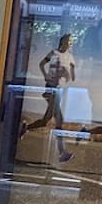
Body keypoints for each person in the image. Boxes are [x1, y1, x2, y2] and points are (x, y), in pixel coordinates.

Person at [25, 33, 75, 162]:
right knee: (60, 120)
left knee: (46, 120)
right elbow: (42, 64)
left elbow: (72, 78)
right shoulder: (54, 53)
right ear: (62, 41)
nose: (70, 43)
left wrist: (67, 72)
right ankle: (62, 152)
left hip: (60, 90)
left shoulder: (70, 57)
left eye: (71, 41)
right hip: (51, 88)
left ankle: (25, 128)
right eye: (68, 40)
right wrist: (45, 75)